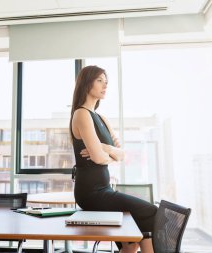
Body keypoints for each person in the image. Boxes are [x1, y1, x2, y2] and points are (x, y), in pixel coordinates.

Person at [70, 65, 157, 253]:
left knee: (132, 238)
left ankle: (129, 247)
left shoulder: (101, 118)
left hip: (104, 189)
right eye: (99, 80)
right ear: (86, 84)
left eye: (106, 82)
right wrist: (105, 154)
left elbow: (121, 154)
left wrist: (103, 147)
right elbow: (99, 159)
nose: (105, 85)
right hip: (91, 193)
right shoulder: (81, 114)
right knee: (151, 212)